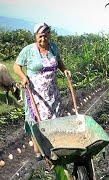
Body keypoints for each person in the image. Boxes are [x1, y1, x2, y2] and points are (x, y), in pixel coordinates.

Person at [13, 22, 71, 160]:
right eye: (40, 36)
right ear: (35, 36)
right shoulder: (29, 50)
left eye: (45, 36)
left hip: (52, 91)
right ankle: (38, 150)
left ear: (49, 35)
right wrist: (23, 77)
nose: (43, 39)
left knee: (55, 118)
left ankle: (53, 147)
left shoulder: (53, 48)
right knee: (38, 120)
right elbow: (16, 66)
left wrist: (65, 70)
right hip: (36, 92)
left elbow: (59, 62)